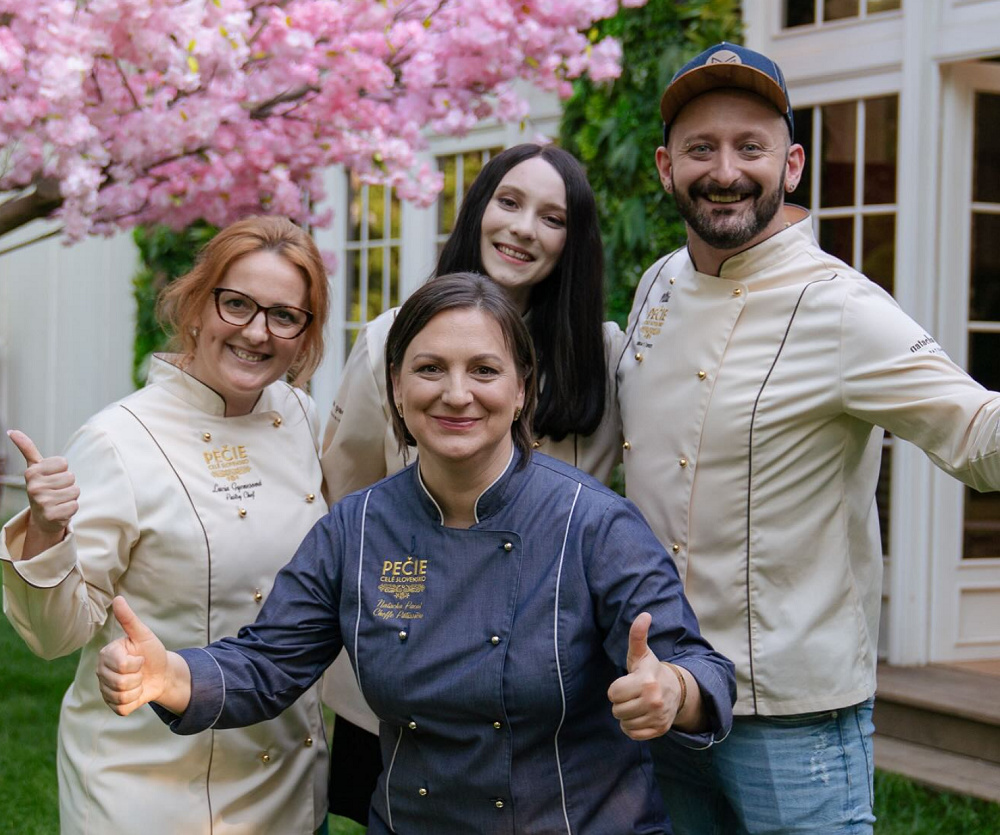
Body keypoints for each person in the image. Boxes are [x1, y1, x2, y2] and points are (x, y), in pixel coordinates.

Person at [96, 272, 736, 835]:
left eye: (484, 370)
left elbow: (697, 667)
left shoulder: (592, 522)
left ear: (521, 392)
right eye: (430, 369)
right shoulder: (358, 528)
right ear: (396, 389)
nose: (456, 394)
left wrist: (673, 690)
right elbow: (269, 662)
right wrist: (172, 677)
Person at [616, 41, 1000, 834]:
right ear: (665, 166)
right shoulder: (656, 283)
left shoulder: (844, 308)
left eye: (749, 147)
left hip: (793, 713)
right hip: (667, 691)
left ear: (791, 165)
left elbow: (976, 434)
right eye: (701, 148)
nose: (725, 169)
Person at [320, 142, 625, 820]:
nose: (522, 227)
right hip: (409, 680)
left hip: (549, 683)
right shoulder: (388, 341)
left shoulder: (602, 354)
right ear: (477, 210)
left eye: (551, 217)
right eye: (508, 202)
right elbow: (347, 493)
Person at [1, 216, 332, 835]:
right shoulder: (118, 441)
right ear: (197, 306)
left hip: (285, 769)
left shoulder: (300, 416)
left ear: (304, 334)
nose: (258, 332)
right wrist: (47, 534)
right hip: (150, 784)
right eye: (236, 304)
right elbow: (54, 637)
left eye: (285, 316)